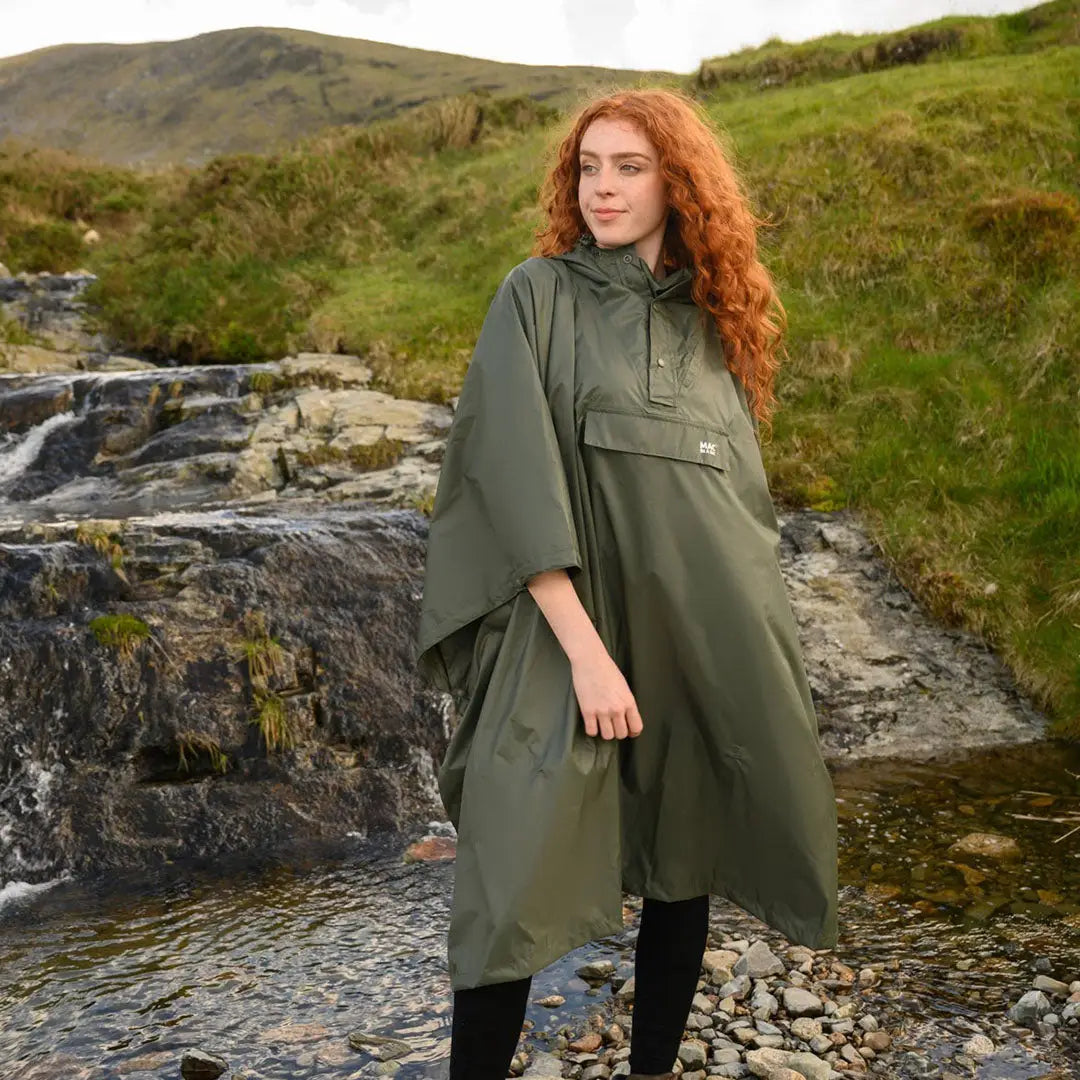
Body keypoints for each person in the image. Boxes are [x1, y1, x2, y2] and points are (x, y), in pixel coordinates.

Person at [415, 87, 839, 1080]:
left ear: (677, 182)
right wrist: (588, 654)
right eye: (588, 168)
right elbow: (511, 475)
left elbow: (732, 507)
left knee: (683, 858)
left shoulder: (714, 320)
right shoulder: (537, 295)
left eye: (629, 167)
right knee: (509, 874)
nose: (602, 187)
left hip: (692, 626)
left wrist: (751, 656)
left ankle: (651, 1070)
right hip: (564, 631)